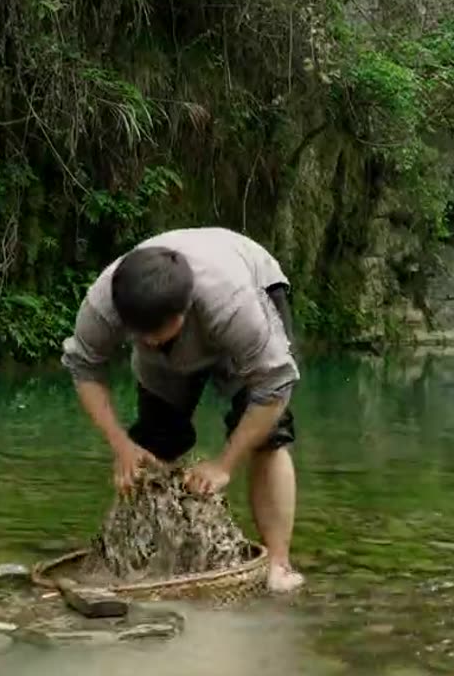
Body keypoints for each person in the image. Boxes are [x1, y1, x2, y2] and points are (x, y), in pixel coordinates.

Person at [60, 226, 305, 593]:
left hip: (251, 284)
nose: (149, 341)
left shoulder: (236, 305)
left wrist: (224, 464)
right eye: (140, 335)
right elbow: (83, 367)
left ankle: (279, 563)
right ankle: (156, 558)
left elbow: (275, 386)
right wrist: (121, 444)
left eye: (159, 333)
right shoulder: (105, 302)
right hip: (171, 314)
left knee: (268, 435)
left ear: (185, 310)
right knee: (157, 440)